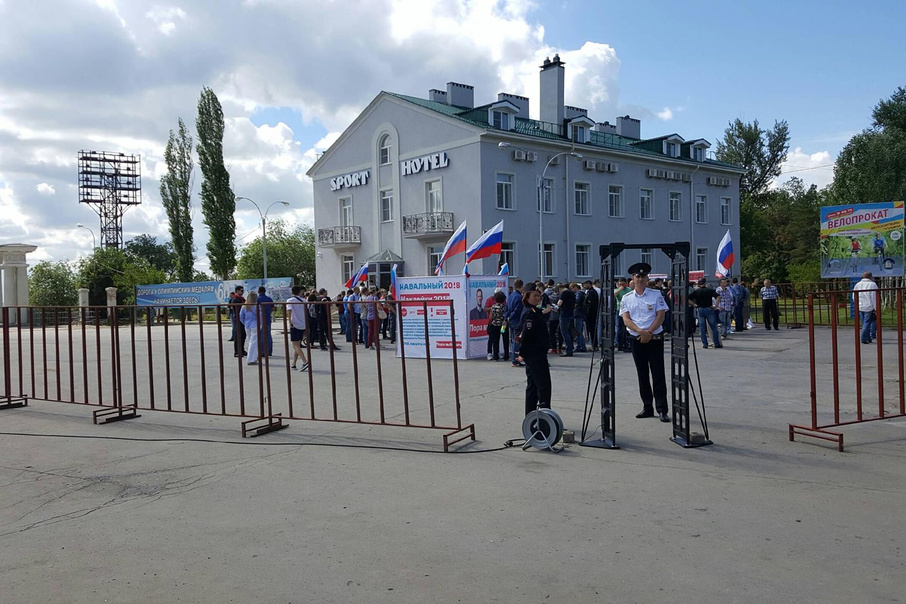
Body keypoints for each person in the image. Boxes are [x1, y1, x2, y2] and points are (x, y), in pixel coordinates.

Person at [619, 263, 670, 423]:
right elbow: (626, 319)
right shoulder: (627, 298)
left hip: (654, 338)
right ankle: (647, 406)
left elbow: (660, 316)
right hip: (637, 339)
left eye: (643, 276)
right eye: (637, 276)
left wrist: (648, 332)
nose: (640, 279)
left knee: (658, 374)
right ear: (632, 279)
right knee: (642, 374)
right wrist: (641, 332)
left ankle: (662, 409)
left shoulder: (656, 295)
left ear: (647, 278)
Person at [515, 287, 553, 415]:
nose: (538, 298)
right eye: (535, 296)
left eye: (539, 296)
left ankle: (531, 415)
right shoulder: (529, 313)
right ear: (527, 297)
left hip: (537, 353)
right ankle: (544, 417)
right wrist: (522, 354)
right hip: (535, 355)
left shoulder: (535, 310)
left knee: (533, 386)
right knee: (543, 387)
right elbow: (525, 335)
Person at [688, 278, 722, 349]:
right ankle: (716, 343)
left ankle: (705, 343)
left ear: (699, 284)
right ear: (705, 283)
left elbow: (687, 298)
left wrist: (694, 304)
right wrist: (716, 306)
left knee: (702, 328)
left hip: (700, 309)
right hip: (709, 308)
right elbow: (718, 297)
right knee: (713, 327)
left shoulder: (696, 291)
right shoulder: (710, 290)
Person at [286, 286, 310, 372]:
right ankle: (294, 363)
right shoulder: (304, 301)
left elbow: (289, 311)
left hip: (295, 324)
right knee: (298, 345)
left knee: (295, 345)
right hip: (302, 324)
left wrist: (290, 322)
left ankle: (305, 361)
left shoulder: (290, 301)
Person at [853, 271, 879, 344]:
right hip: (869, 306)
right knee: (867, 323)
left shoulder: (857, 284)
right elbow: (874, 297)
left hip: (860, 306)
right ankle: (863, 338)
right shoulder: (873, 284)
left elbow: (854, 296)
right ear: (870, 277)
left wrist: (857, 304)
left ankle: (868, 338)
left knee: (864, 322)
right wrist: (876, 307)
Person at [505, 279, 525, 367]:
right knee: (517, 341)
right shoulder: (519, 297)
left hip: (511, 321)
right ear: (521, 286)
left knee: (513, 340)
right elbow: (517, 310)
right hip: (517, 321)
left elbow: (507, 308)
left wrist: (507, 317)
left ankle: (515, 359)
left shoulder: (511, 295)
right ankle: (515, 360)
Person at [239, 291, 260, 365]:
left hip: (247, 326)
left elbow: (241, 317)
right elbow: (260, 316)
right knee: (254, 342)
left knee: (250, 341)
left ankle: (254, 358)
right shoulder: (256, 306)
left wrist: (245, 323)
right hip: (255, 325)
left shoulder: (244, 306)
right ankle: (251, 359)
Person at [487, 290, 509, 361]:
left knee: (496, 340)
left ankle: (496, 355)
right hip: (503, 325)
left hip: (495, 325)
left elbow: (490, 317)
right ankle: (506, 355)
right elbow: (506, 315)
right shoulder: (504, 307)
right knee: (505, 340)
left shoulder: (493, 307)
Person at [557, 282, 577, 356]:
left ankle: (569, 350)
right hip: (570, 314)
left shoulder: (564, 293)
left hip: (564, 314)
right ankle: (570, 348)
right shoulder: (572, 293)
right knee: (568, 332)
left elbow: (559, 303)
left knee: (564, 332)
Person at [614, 277, 633, 352]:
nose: (621, 285)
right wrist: (620, 289)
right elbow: (614, 295)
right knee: (619, 328)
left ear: (626, 283)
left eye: (623, 284)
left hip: (628, 310)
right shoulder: (617, 290)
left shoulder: (629, 290)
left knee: (627, 328)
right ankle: (619, 344)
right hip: (619, 310)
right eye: (620, 284)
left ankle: (626, 343)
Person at [257, 286, 274, 356]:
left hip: (260, 319)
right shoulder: (269, 299)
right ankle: (269, 351)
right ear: (265, 291)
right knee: (268, 335)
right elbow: (273, 308)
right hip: (268, 318)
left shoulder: (257, 299)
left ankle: (262, 351)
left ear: (258, 291)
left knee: (261, 336)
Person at [230, 285, 246, 358]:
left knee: (243, 335)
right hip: (238, 319)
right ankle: (237, 351)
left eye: (243, 291)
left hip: (242, 319)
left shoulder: (242, 298)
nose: (242, 292)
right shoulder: (235, 299)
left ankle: (242, 350)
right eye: (241, 290)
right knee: (238, 336)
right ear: (237, 291)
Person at [583, 280, 599, 351]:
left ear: (589, 284)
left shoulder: (592, 292)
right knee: (591, 330)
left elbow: (590, 303)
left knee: (592, 329)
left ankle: (594, 345)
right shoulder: (591, 291)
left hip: (592, 313)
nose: (584, 286)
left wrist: (587, 310)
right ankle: (594, 344)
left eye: (585, 284)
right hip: (592, 313)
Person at [572, 283, 588, 353]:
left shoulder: (578, 294)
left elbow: (577, 302)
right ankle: (582, 345)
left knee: (578, 331)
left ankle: (580, 346)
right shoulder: (583, 293)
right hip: (582, 313)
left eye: (572, 288)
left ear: (575, 287)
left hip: (578, 313)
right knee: (580, 330)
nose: (572, 290)